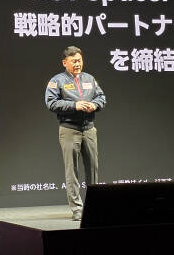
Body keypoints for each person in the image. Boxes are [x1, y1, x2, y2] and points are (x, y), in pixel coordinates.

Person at [45, 46, 106, 221]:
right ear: (65, 63)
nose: (77, 64)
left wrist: (95, 105)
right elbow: (51, 103)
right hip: (69, 129)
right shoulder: (57, 81)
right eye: (73, 61)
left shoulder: (89, 79)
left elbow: (101, 97)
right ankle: (77, 209)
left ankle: (94, 206)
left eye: (79, 60)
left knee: (93, 169)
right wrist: (75, 105)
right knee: (72, 171)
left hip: (89, 129)